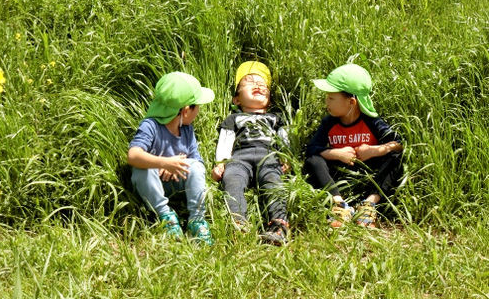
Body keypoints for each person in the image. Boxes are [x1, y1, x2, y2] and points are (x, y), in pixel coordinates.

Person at [303, 63, 403, 228]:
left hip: (368, 170)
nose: (326, 101)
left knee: (394, 158)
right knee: (313, 161)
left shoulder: (371, 121)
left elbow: (398, 144)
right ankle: (340, 204)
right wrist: (336, 154)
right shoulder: (329, 122)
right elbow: (312, 149)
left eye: (331, 98)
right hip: (340, 171)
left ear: (351, 102)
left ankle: (369, 204)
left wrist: (375, 150)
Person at [128, 72, 215, 244]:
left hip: (178, 183)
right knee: (141, 170)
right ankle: (166, 217)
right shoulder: (150, 126)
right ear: (185, 110)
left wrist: (178, 164)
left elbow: (197, 161)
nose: (198, 111)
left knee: (196, 167)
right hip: (153, 186)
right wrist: (165, 163)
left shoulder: (187, 129)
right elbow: (133, 155)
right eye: (197, 106)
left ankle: (196, 220)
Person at [212, 61, 290, 245]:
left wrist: (286, 157)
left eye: (263, 84)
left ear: (269, 100)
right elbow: (225, 140)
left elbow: (284, 138)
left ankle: (279, 225)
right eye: (250, 82)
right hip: (239, 157)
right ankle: (239, 224)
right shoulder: (234, 118)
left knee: (273, 182)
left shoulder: (274, 118)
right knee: (232, 179)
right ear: (236, 99)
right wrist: (221, 162)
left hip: (269, 156)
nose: (258, 85)